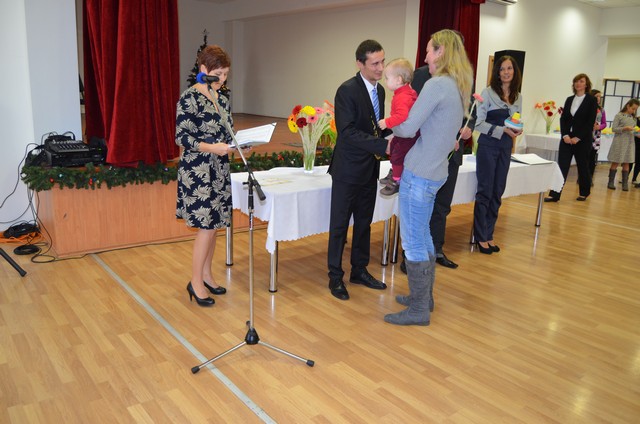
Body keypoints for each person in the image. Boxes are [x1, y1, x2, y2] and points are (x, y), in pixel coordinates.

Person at [384, 29, 473, 326]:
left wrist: (390, 124)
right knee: (424, 236)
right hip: (435, 171)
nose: (425, 57)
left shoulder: (437, 85)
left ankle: (419, 308)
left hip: (420, 172)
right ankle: (424, 298)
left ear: (441, 52)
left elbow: (408, 127)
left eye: (428, 50)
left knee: (413, 241)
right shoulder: (457, 85)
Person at [327, 39, 391, 301]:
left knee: (364, 223)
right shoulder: (347, 90)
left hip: (370, 167)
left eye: (382, 61)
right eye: (375, 63)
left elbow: (377, 127)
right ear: (359, 64)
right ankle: (335, 276)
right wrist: (383, 145)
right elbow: (348, 131)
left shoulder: (381, 91)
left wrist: (396, 133)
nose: (380, 68)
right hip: (348, 170)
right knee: (339, 225)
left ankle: (359, 270)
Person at [175, 45, 235, 307]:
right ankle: (195, 282)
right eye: (218, 74)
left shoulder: (221, 99)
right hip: (197, 170)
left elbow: (228, 132)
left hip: (219, 169)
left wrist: (239, 145)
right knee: (205, 227)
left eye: (226, 74)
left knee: (214, 226)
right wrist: (212, 148)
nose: (222, 79)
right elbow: (182, 137)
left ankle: (207, 275)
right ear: (203, 70)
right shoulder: (189, 98)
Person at [473, 55, 522, 254]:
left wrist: (517, 129)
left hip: (505, 148)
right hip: (488, 147)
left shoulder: (518, 96)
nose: (506, 72)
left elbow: (516, 121)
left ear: (515, 71)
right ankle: (480, 237)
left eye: (509, 68)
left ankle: (489, 234)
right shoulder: (487, 93)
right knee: (485, 191)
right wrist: (503, 130)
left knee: (497, 192)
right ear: (497, 72)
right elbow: (477, 123)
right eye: (502, 69)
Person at [544, 74, 598, 203]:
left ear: (586, 84)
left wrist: (578, 137)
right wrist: (565, 135)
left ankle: (584, 192)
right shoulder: (569, 99)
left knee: (583, 166)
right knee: (561, 166)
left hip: (582, 140)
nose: (578, 83)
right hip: (567, 139)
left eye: (581, 81)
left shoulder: (591, 100)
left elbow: (590, 122)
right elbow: (564, 119)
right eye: (576, 81)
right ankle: (555, 194)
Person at [377, 58, 418, 196]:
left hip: (407, 136)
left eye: (387, 78)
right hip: (404, 134)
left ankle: (396, 180)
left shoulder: (402, 96)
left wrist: (387, 122)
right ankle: (395, 172)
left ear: (399, 80)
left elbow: (402, 115)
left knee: (397, 155)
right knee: (393, 147)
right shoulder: (405, 92)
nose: (385, 81)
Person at [607, 98, 639, 191]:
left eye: (635, 109)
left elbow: (633, 131)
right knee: (616, 161)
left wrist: (637, 133)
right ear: (628, 106)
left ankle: (625, 183)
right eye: (633, 108)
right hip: (619, 142)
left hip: (630, 143)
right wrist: (625, 128)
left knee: (627, 162)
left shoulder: (633, 118)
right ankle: (611, 182)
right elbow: (614, 129)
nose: (634, 111)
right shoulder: (619, 115)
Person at [589, 89, 607, 182]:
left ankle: (590, 178)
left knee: (592, 158)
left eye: (600, 96)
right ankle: (581, 178)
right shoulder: (586, 107)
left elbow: (604, 124)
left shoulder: (602, 110)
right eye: (597, 96)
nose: (599, 98)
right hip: (586, 135)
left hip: (596, 136)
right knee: (584, 158)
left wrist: (599, 127)